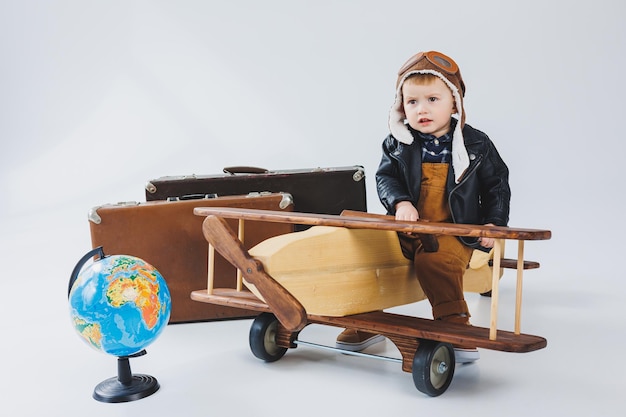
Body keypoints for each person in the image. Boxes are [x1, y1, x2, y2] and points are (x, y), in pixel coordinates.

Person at [335, 50, 511, 364]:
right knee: (366, 248)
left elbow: (497, 184)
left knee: (435, 259)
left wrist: (493, 223)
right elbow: (385, 176)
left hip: (454, 231)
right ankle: (367, 316)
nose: (422, 109)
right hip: (408, 226)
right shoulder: (398, 142)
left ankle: (453, 320)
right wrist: (401, 202)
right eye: (412, 102)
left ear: (454, 102)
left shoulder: (476, 144)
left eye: (433, 99)